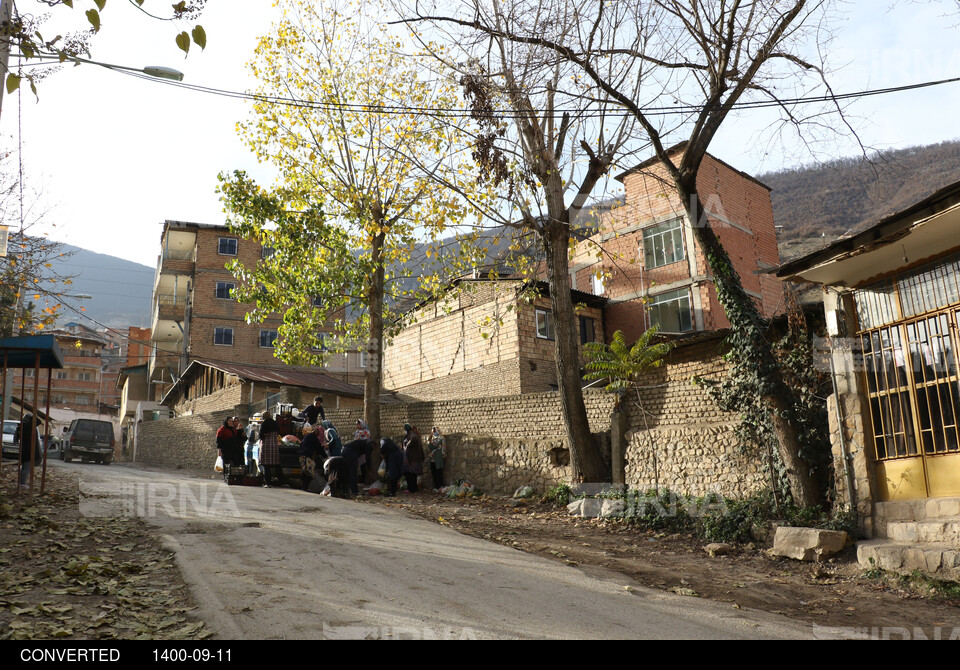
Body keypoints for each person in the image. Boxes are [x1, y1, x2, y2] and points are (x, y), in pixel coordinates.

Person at [14, 414, 40, 489]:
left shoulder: (21, 427)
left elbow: (15, 438)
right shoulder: (30, 426)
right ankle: (22, 483)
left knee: (24, 467)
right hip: (30, 450)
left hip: (23, 449)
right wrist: (34, 416)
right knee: (27, 468)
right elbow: (38, 421)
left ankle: (21, 482)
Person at [258, 411, 284, 487]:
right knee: (276, 465)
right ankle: (281, 481)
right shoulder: (275, 423)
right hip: (274, 444)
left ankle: (268, 483)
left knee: (266, 466)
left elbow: (261, 435)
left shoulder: (264, 423)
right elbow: (278, 432)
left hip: (266, 445)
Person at [298, 423, 326, 489]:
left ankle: (304, 486)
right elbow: (319, 447)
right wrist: (325, 456)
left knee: (305, 471)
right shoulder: (313, 437)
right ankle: (305, 487)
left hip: (302, 456)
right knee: (309, 473)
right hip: (307, 456)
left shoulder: (307, 436)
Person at [401, 423, 424, 494]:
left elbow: (414, 439)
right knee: (410, 474)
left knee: (411, 474)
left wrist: (407, 445)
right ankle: (412, 488)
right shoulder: (410, 434)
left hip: (412, 459)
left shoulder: (412, 434)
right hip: (410, 458)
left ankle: (412, 489)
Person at [427, 426, 447, 491]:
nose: (433, 432)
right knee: (434, 472)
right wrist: (430, 439)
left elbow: (443, 447)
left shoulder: (441, 438)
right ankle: (436, 486)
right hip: (433, 457)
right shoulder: (432, 439)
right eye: (433, 431)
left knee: (439, 472)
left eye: (434, 431)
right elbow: (430, 447)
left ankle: (440, 486)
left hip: (438, 457)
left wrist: (443, 453)